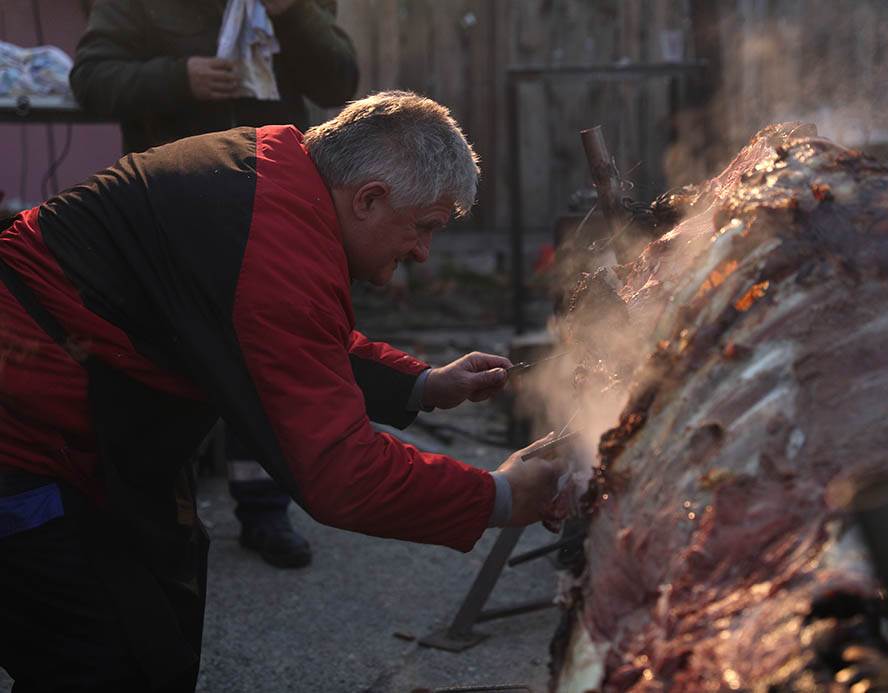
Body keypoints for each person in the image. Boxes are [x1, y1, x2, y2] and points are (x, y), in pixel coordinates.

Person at [0, 91, 567, 692]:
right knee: (105, 659)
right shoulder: (274, 247)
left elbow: (292, 332)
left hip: (95, 426)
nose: (423, 253)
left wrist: (422, 384)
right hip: (27, 445)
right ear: (369, 199)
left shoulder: (276, 170)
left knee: (154, 624)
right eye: (424, 228)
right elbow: (342, 476)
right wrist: (498, 497)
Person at [70, 0, 362, 568]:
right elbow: (90, 80)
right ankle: (152, 510)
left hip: (272, 199)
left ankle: (266, 508)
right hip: (170, 201)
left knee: (273, 350)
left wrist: (294, 14)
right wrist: (179, 78)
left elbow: (339, 83)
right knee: (163, 355)